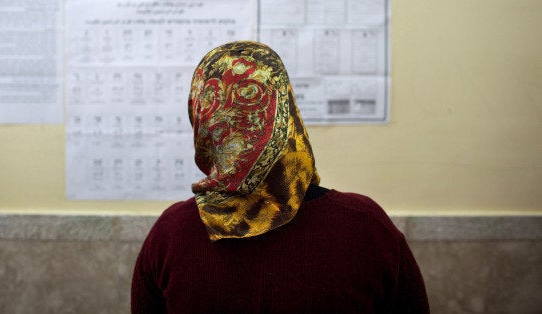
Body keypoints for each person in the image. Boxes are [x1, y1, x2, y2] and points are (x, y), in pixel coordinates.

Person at [131, 41, 429, 313]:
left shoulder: (170, 235)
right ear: (287, 114)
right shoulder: (364, 227)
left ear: (200, 119)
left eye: (247, 93)